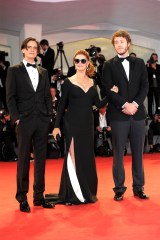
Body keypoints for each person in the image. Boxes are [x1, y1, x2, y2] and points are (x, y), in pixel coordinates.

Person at [52, 49, 107, 205]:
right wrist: (56, 126)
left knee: (86, 157)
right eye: (77, 60)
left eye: (83, 60)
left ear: (88, 63)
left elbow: (98, 104)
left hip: (88, 125)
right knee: (73, 157)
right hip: (72, 125)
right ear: (74, 63)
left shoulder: (92, 82)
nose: (80, 63)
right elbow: (61, 106)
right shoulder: (68, 82)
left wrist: (110, 94)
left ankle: (86, 191)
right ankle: (73, 194)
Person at [6, 37, 54, 212]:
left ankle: (39, 197)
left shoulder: (44, 71)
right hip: (24, 120)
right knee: (24, 159)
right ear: (24, 50)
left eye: (35, 48)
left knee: (41, 160)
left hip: (42, 120)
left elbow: (48, 96)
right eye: (30, 47)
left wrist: (49, 115)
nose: (33, 50)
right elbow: (10, 97)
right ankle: (22, 197)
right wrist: (16, 118)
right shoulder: (14, 70)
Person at [102, 29, 149, 201]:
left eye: (121, 41)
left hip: (137, 115)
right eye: (116, 42)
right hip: (118, 115)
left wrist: (135, 104)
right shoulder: (108, 65)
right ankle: (119, 189)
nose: (119, 45)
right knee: (118, 154)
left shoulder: (140, 62)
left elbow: (145, 87)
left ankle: (139, 187)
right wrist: (124, 104)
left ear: (128, 43)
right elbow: (107, 89)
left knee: (138, 153)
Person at [146, 53, 160, 118]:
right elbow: (146, 75)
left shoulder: (159, 66)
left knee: (158, 101)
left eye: (155, 57)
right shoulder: (147, 66)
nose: (154, 58)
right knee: (150, 101)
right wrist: (149, 66)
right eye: (152, 57)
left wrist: (155, 68)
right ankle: (150, 115)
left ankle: (158, 114)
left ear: (157, 58)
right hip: (150, 87)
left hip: (157, 87)